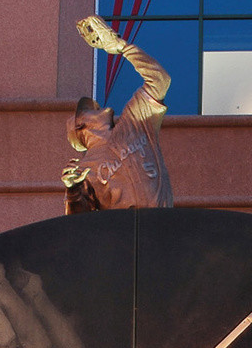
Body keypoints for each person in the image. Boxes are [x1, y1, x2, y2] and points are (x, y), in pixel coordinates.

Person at [63, 15, 173, 212]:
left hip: (164, 229)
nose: (98, 105)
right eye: (89, 109)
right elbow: (79, 223)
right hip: (124, 237)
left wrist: (121, 46)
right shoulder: (85, 168)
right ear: (81, 125)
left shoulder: (135, 121)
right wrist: (73, 189)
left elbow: (160, 80)